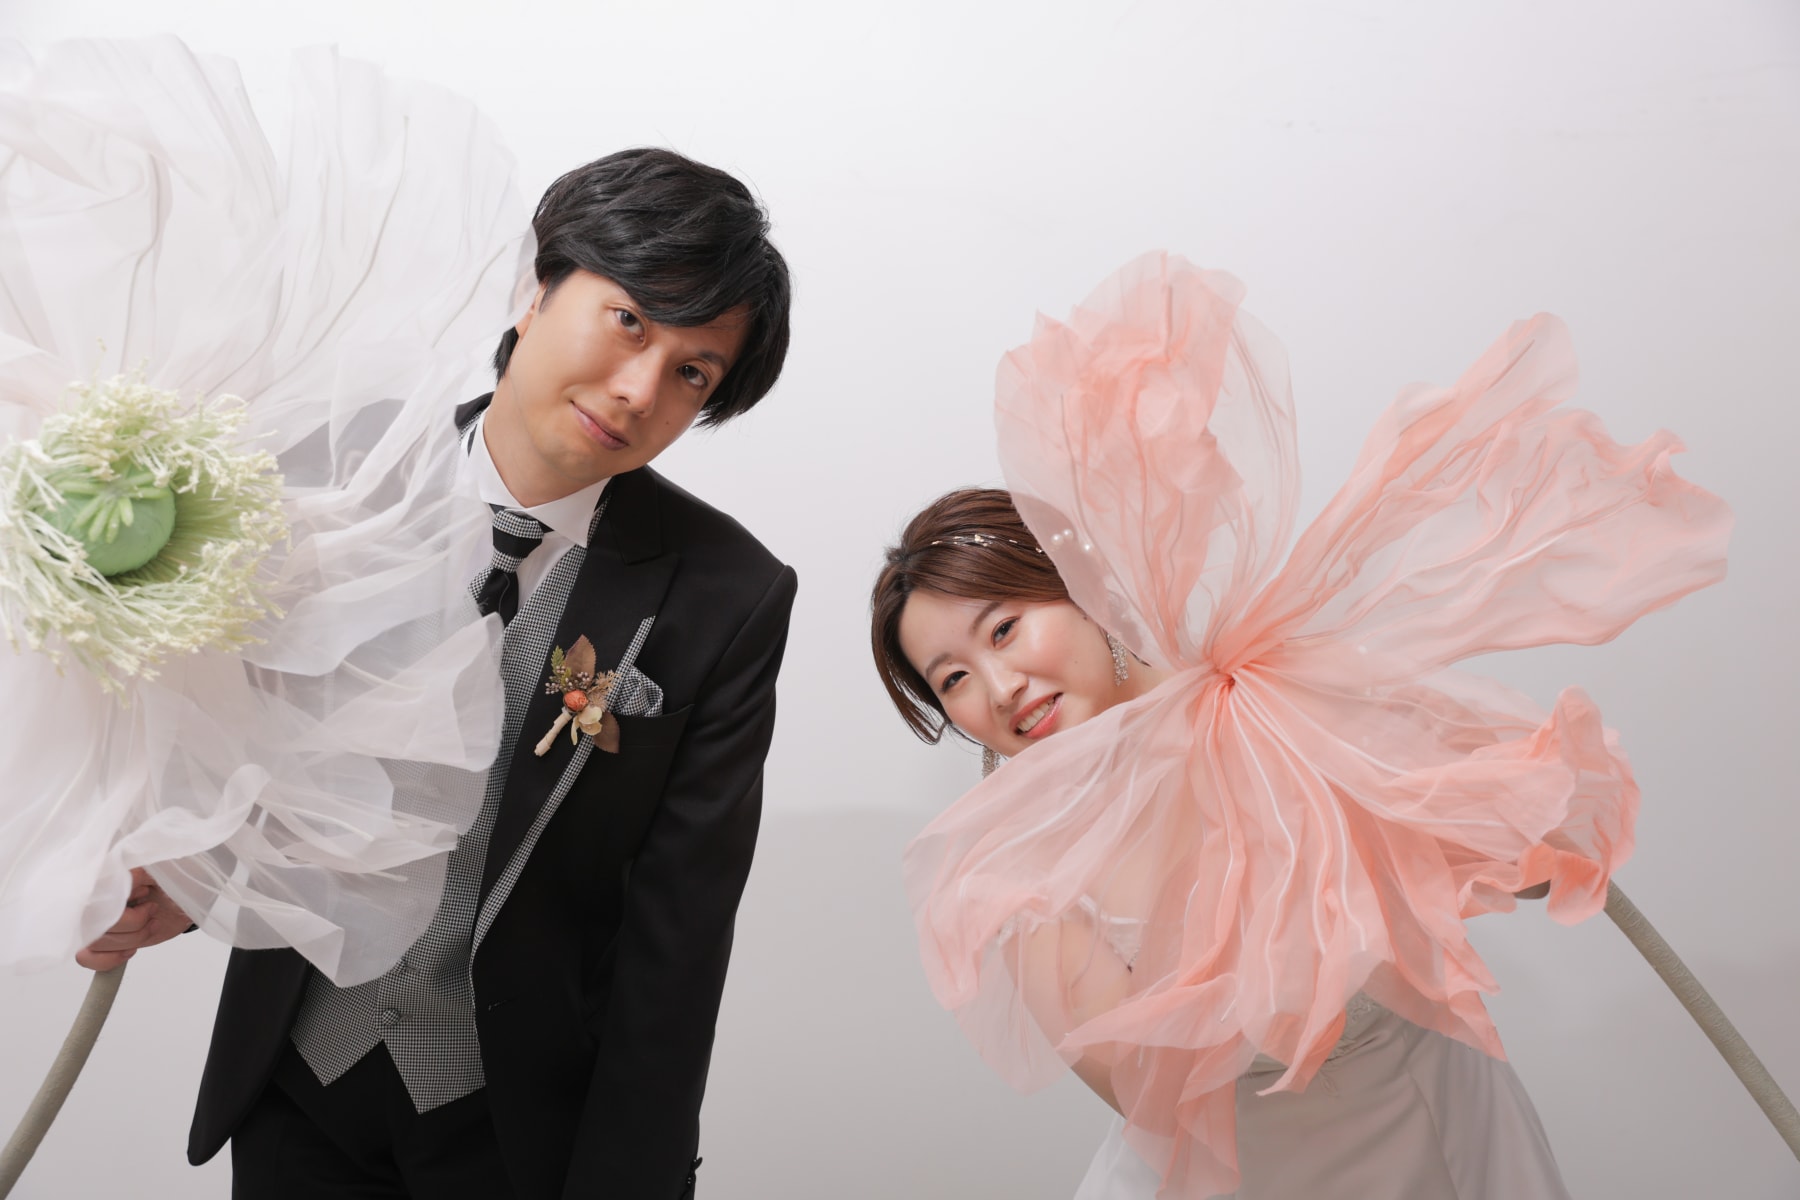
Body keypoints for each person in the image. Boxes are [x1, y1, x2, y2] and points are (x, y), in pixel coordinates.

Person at [869, 254, 1728, 1197]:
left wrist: (1471, 810)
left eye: (1004, 629)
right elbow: (1146, 1092)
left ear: (1081, 588)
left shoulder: (1270, 700)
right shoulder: (1016, 882)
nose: (999, 686)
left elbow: (1526, 870)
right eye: (953, 679)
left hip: (1438, 1133)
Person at [80, 146, 798, 1200]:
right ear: (537, 290)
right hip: (295, 1081)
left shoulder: (727, 595)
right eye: (629, 321)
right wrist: (182, 888)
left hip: (515, 1127)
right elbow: (240, 739)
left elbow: (679, 935)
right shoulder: (329, 477)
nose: (639, 389)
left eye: (694, 372)